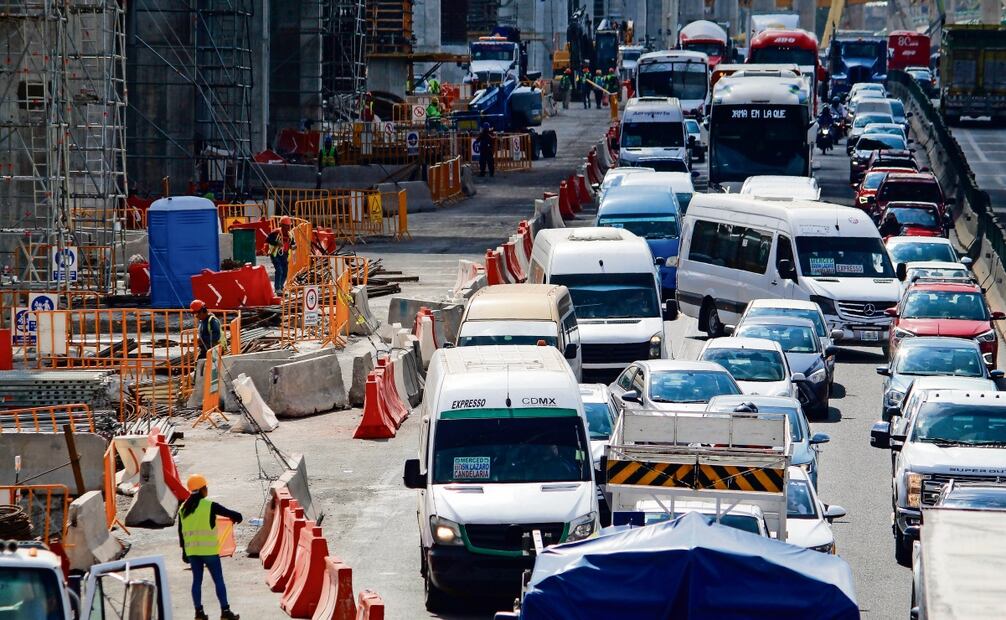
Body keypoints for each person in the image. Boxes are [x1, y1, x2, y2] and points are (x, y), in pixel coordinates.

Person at [179, 474, 243, 620]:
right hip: (209, 552)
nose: (207, 489)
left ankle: (199, 613)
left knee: (196, 581)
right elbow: (232, 514)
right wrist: (237, 517)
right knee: (218, 580)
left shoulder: (183, 508)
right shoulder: (209, 506)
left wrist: (184, 553)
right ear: (202, 489)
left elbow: (181, 533)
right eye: (206, 487)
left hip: (192, 552)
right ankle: (225, 612)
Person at [266, 216, 294, 294]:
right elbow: (268, 239)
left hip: (284, 255)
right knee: (279, 270)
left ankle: (281, 287)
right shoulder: (276, 232)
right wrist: (277, 243)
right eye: (286, 226)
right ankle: (277, 288)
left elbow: (293, 244)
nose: (288, 227)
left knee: (285, 271)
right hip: (275, 254)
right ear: (281, 225)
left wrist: (293, 246)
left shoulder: (290, 235)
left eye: (289, 226)